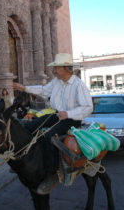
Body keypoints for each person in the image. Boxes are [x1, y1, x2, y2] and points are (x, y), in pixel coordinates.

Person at [13, 53, 93, 195]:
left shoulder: (78, 85)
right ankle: (27, 159)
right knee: (30, 126)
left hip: (71, 119)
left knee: (49, 137)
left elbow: (87, 107)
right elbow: (44, 91)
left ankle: (52, 175)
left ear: (66, 69)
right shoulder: (56, 82)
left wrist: (68, 114)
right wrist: (24, 88)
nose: (54, 70)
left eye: (56, 68)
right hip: (57, 114)